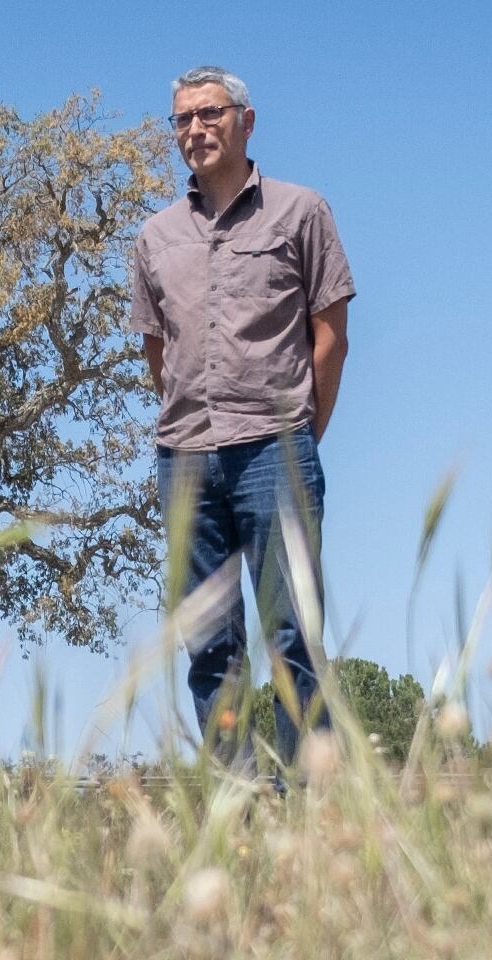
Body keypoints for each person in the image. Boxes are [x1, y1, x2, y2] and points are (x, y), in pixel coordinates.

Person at [132, 66, 354, 772]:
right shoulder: (155, 238)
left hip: (276, 450)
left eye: (210, 114)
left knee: (292, 637)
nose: (195, 129)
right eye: (182, 120)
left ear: (246, 121)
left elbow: (331, 336)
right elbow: (156, 351)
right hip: (185, 459)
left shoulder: (300, 212)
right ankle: (238, 808)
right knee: (209, 644)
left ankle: (308, 813)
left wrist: (298, 436)